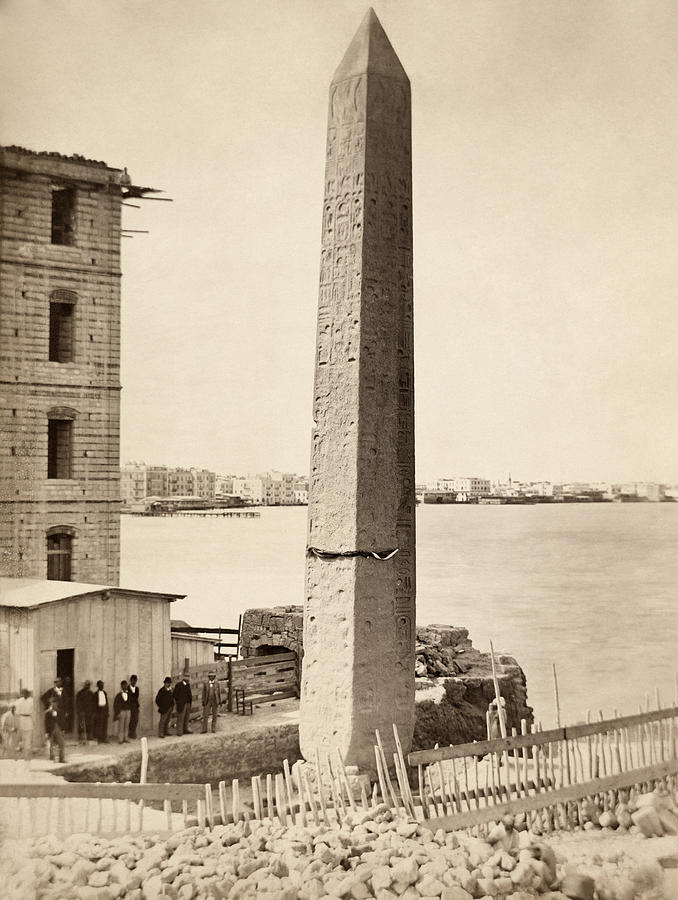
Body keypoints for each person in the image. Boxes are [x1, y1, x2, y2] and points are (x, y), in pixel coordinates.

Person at [41, 680, 66, 763]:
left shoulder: (59, 711)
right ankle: (52, 758)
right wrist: (46, 732)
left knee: (61, 743)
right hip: (51, 729)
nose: (54, 704)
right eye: (52, 703)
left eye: (55, 703)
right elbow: (46, 722)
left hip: (58, 728)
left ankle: (61, 759)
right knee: (51, 744)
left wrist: (63, 729)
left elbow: (62, 720)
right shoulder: (48, 713)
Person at [15, 689, 34, 759]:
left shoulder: (31, 701)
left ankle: (27, 755)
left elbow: (33, 712)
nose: (24, 695)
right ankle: (24, 755)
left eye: (25, 693)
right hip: (22, 719)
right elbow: (17, 712)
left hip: (28, 719)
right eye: (23, 693)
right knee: (23, 739)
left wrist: (34, 722)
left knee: (28, 739)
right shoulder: (19, 701)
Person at [128, 674, 140, 739]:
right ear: (130, 681)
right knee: (131, 720)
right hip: (130, 706)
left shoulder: (137, 689)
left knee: (136, 720)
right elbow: (129, 698)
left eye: (135, 681)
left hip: (135, 706)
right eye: (133, 680)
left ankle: (133, 732)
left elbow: (136, 697)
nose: (134, 682)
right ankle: (131, 733)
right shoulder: (127, 688)